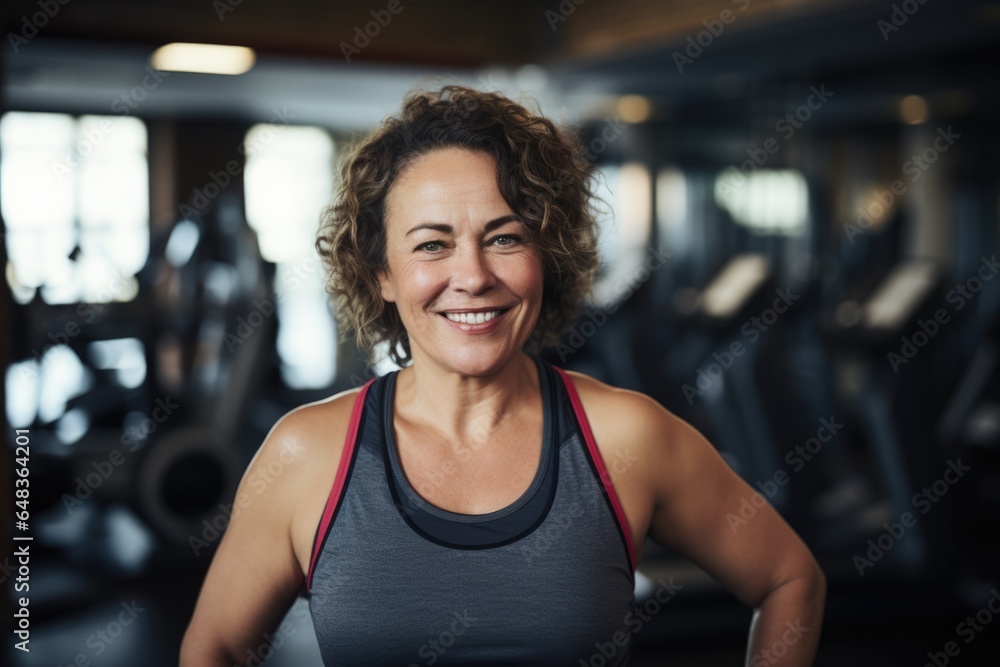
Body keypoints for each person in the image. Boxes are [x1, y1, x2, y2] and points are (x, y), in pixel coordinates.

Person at [180, 85, 826, 666]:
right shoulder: (306, 454)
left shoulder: (628, 436)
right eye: (432, 244)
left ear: (546, 255)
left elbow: (790, 578)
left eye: (505, 238)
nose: (473, 276)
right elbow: (216, 648)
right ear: (381, 274)